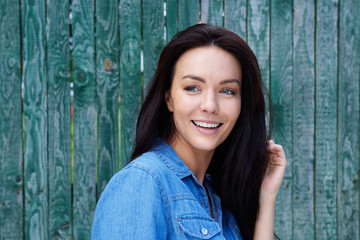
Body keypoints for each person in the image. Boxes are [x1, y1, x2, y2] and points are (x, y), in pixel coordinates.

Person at [92, 24, 286, 240]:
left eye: (227, 91)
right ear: (169, 98)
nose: (210, 105)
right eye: (192, 87)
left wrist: (265, 197)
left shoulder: (219, 199)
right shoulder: (142, 182)